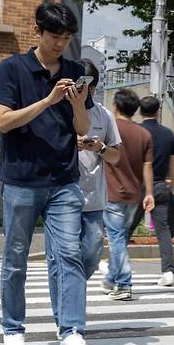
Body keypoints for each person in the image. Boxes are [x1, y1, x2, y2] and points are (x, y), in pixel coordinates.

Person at [0, 2, 96, 345]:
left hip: (64, 179)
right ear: (38, 31)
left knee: (70, 254)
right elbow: (4, 122)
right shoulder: (12, 68)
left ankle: (71, 333)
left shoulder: (76, 71)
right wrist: (49, 100)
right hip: (21, 179)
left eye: (66, 38)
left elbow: (82, 129)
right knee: (15, 256)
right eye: (54, 36)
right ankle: (13, 326)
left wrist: (77, 103)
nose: (60, 44)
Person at [46, 59, 121, 328]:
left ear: (93, 87)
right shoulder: (56, 111)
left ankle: (70, 293)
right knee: (60, 261)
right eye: (77, 84)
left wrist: (99, 147)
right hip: (59, 200)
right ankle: (63, 321)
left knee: (89, 256)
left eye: (86, 85)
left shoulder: (104, 116)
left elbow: (115, 157)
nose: (81, 89)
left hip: (93, 202)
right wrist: (70, 145)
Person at [102, 88, 155, 300]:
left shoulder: (110, 127)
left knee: (116, 239)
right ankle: (111, 279)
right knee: (120, 238)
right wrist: (149, 193)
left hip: (112, 191)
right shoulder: (144, 134)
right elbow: (148, 166)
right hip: (134, 194)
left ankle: (124, 283)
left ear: (115, 106)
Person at [129, 96, 174, 286]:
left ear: (140, 112)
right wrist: (172, 186)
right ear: (158, 110)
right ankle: (168, 272)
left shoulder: (137, 132)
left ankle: (113, 266)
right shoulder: (168, 133)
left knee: (126, 229)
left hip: (137, 187)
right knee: (163, 231)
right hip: (160, 186)